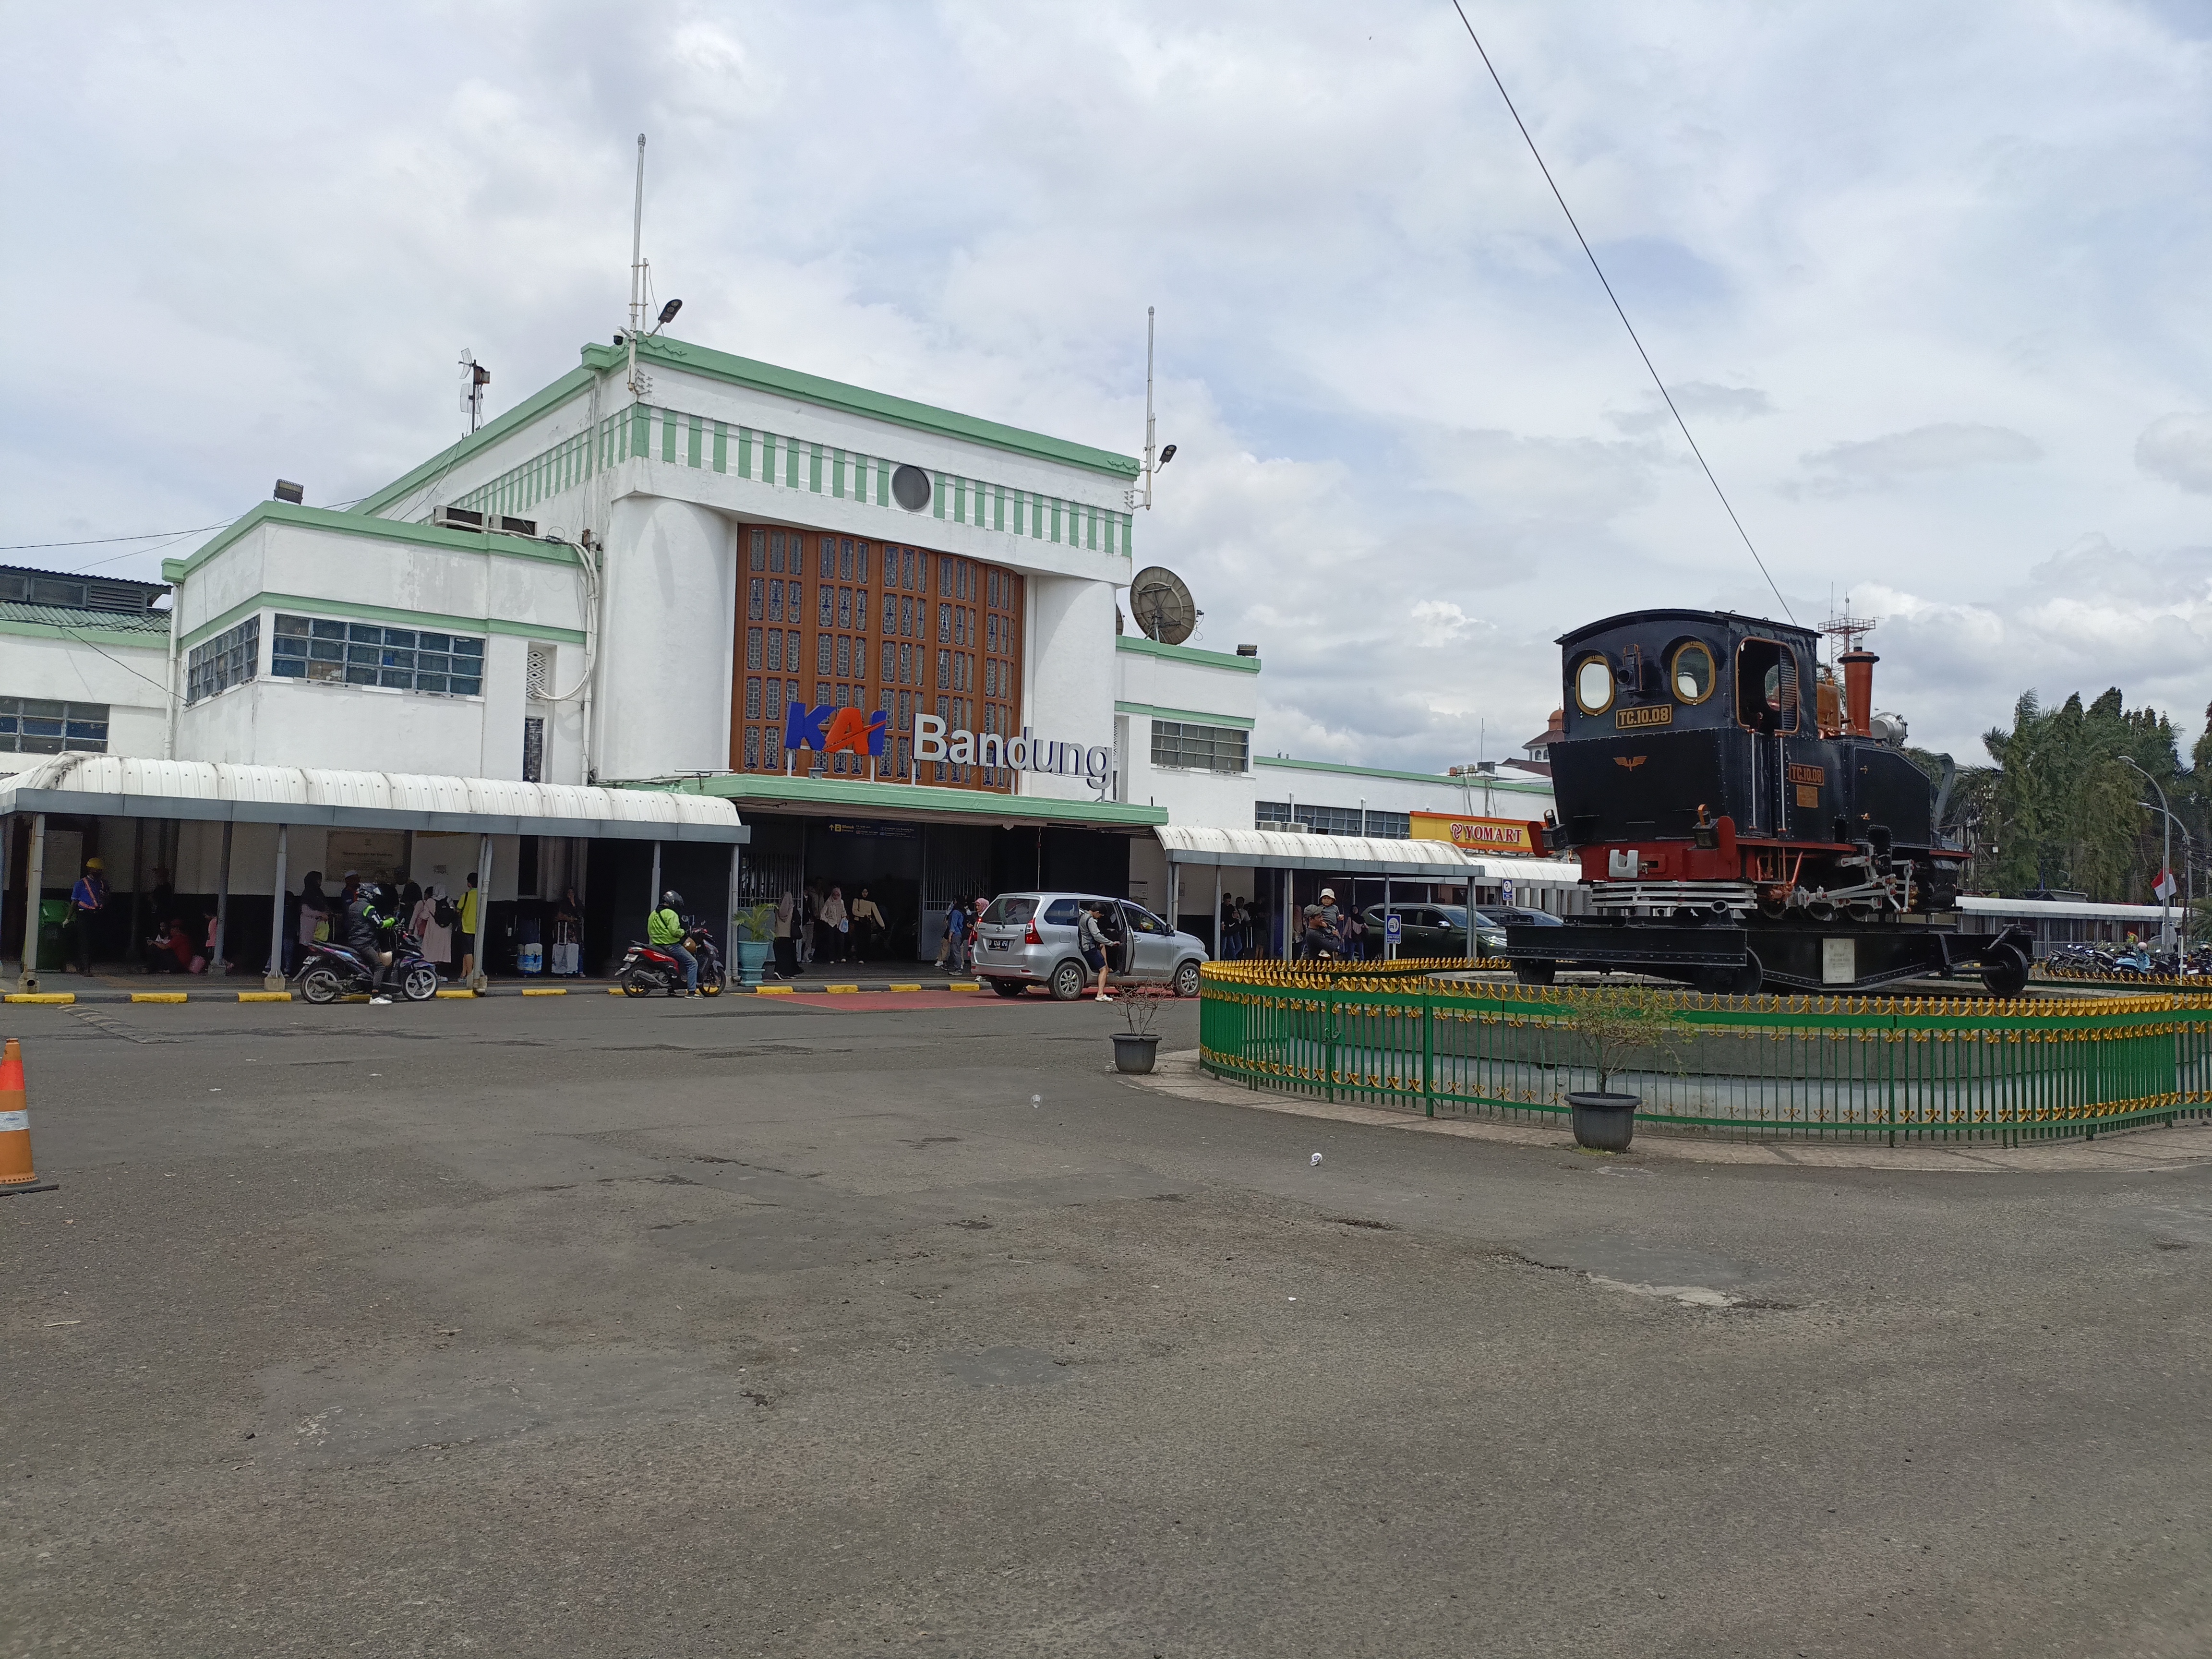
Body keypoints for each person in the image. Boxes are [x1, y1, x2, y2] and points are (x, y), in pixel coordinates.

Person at [345, 881, 395, 1001]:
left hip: (354, 940)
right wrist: (392, 920)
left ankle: (376, 989)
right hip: (364, 942)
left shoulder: (353, 906)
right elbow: (380, 924)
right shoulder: (368, 908)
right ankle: (376, 996)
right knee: (380, 966)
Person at [648, 889, 699, 996]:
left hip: (657, 945)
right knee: (692, 963)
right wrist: (684, 933)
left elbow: (650, 929)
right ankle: (692, 991)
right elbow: (675, 931)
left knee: (674, 964)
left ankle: (672, 988)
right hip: (671, 945)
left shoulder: (654, 913)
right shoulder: (671, 914)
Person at [69, 856, 109, 974]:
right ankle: (86, 968)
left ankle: (82, 964)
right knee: (85, 941)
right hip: (84, 915)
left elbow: (108, 899)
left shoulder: (103, 884)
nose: (99, 873)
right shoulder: (81, 884)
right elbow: (74, 902)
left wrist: (105, 897)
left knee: (94, 941)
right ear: (90, 870)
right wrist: (69, 917)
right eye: (97, 870)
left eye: (100, 870)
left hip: (98, 915)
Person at [412, 885, 451, 981]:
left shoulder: (430, 901)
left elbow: (425, 916)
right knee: (442, 953)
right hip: (446, 931)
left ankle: (428, 974)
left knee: (430, 953)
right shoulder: (449, 900)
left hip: (433, 930)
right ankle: (441, 975)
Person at [1079, 902, 1114, 1002]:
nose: (1099, 917)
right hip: (1090, 949)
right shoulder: (1091, 920)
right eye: (1100, 915)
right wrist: (1110, 943)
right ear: (1097, 912)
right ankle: (1100, 994)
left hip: (1085, 947)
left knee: (1102, 947)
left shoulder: (1082, 916)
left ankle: (1107, 967)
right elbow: (1097, 935)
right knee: (1103, 970)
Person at [1302, 887, 1344, 961]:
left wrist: (1339, 918)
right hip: (1317, 965)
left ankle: (1337, 951)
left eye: (1329, 898)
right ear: (1311, 920)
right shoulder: (1314, 934)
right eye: (1319, 917)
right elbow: (1331, 946)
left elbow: (1337, 916)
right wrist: (1336, 936)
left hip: (1332, 926)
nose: (1327, 900)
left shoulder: (1335, 908)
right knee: (1328, 936)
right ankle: (1324, 950)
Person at [552, 887, 582, 977]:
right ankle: (562, 970)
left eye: (572, 893)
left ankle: (577, 970)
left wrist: (573, 904)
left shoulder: (578, 903)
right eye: (569, 893)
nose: (570, 895)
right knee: (562, 951)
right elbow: (557, 917)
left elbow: (579, 916)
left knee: (576, 950)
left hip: (574, 932)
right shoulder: (562, 904)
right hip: (563, 932)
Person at [850, 887, 884, 960]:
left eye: (866, 892)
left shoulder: (871, 902)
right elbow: (854, 911)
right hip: (859, 922)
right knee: (860, 940)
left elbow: (877, 913)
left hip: (867, 923)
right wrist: (864, 914)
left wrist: (882, 925)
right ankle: (860, 958)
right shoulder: (857, 900)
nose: (865, 894)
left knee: (867, 940)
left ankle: (865, 957)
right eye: (863, 892)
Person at [458, 872, 481, 981]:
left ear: (469, 884)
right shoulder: (481, 896)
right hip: (479, 928)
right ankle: (463, 973)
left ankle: (470, 975)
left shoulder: (465, 896)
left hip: (467, 927)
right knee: (467, 952)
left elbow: (458, 910)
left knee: (468, 952)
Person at [818, 885, 849, 964]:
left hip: (840, 924)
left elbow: (843, 912)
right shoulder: (828, 902)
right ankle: (832, 958)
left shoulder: (841, 902)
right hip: (831, 924)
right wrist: (827, 921)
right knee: (831, 941)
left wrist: (845, 919)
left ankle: (841, 957)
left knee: (841, 940)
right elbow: (822, 913)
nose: (836, 897)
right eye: (834, 895)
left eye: (838, 895)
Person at [936, 895, 967, 973]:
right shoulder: (963, 911)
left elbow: (953, 925)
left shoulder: (956, 912)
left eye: (955, 901)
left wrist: (950, 936)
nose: (954, 902)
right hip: (960, 934)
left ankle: (958, 968)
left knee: (955, 952)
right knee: (954, 951)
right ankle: (950, 965)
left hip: (955, 934)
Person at [772, 890, 798, 979]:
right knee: (788, 956)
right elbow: (798, 920)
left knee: (779, 956)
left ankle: (778, 971)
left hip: (778, 935)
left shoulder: (777, 908)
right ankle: (787, 973)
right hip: (788, 936)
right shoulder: (792, 909)